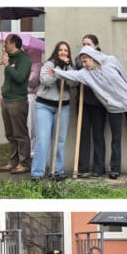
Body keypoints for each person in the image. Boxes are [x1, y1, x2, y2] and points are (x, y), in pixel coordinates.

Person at [51, 45, 127, 178]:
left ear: (92, 57)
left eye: (85, 61)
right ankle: (115, 169)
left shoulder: (110, 60)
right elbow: (71, 75)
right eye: (82, 62)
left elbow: (124, 75)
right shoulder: (86, 74)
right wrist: (55, 71)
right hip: (112, 107)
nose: (83, 64)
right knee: (116, 138)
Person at [31, 41, 76, 181]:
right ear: (57, 51)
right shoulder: (49, 64)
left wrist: (63, 71)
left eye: (66, 50)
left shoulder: (70, 68)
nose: (63, 52)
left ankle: (56, 171)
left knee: (59, 140)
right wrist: (58, 71)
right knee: (42, 140)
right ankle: (37, 172)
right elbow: (45, 80)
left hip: (63, 106)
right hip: (44, 106)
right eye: (61, 50)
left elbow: (74, 83)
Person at [73, 35, 108, 178]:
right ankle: (82, 167)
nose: (85, 46)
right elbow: (77, 66)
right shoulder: (79, 59)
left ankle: (99, 168)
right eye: (83, 44)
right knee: (84, 135)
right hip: (83, 102)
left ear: (96, 46)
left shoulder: (103, 60)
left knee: (98, 135)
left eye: (88, 44)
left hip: (99, 104)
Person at [0, 34, 33, 174]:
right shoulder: (10, 58)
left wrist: (7, 65)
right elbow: (8, 81)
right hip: (6, 100)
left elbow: (20, 78)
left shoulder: (24, 59)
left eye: (6, 42)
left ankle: (24, 163)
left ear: (13, 44)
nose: (4, 45)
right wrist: (2, 94)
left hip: (17, 101)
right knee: (10, 134)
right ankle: (13, 162)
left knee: (20, 134)